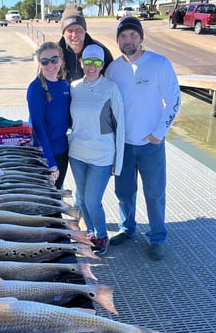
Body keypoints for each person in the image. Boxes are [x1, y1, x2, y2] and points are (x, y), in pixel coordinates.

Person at [104, 17, 181, 261]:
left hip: (151, 145)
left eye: (133, 36)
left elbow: (174, 100)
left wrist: (159, 133)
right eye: (123, 37)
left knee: (154, 192)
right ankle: (128, 228)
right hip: (124, 144)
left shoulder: (159, 63)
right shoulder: (113, 69)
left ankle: (158, 236)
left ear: (141, 38)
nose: (128, 41)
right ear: (117, 40)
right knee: (124, 191)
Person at [69, 44, 125, 255]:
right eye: (88, 61)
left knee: (93, 200)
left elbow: (121, 127)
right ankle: (90, 232)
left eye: (97, 62)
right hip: (77, 154)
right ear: (82, 62)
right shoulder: (74, 87)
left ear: (102, 65)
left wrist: (117, 163)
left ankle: (102, 235)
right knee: (82, 199)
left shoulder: (111, 88)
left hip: (101, 156)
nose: (92, 66)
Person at [26, 42, 70, 189]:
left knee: (56, 196)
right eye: (44, 61)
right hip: (44, 154)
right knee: (47, 203)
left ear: (61, 60)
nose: (50, 64)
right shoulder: (35, 88)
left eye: (54, 59)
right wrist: (50, 161)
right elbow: (38, 128)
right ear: (39, 63)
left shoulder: (65, 86)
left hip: (63, 150)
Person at [58, 4, 113, 83]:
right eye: (70, 30)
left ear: (85, 31)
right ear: (63, 33)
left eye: (79, 30)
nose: (74, 35)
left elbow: (111, 81)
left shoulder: (101, 51)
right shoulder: (54, 54)